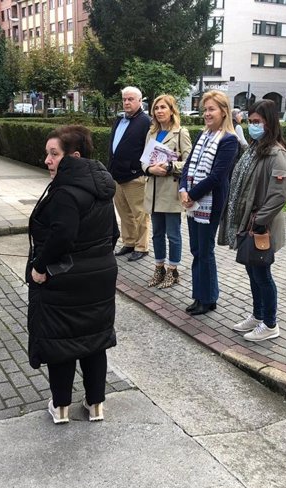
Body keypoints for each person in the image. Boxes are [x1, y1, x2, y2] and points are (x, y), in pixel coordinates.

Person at [27, 125, 119, 424]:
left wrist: (39, 267)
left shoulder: (66, 191)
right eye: (47, 154)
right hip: (100, 275)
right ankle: (95, 405)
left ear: (74, 156)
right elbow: (113, 232)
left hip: (65, 277)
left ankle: (61, 406)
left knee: (62, 343)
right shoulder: (101, 188)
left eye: (54, 154)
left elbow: (62, 237)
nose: (47, 161)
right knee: (94, 341)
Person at [219, 99, 286, 341]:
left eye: (257, 122)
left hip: (261, 226)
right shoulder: (254, 148)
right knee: (253, 272)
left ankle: (270, 323)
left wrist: (260, 220)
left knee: (262, 275)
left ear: (270, 123)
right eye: (250, 122)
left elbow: (279, 194)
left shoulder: (276, 153)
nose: (253, 126)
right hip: (247, 222)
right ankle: (257, 316)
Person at [180, 91, 239, 316]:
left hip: (210, 202)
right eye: (205, 109)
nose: (206, 114)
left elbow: (218, 176)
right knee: (197, 249)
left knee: (205, 250)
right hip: (193, 200)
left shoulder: (229, 140)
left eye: (211, 109)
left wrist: (192, 194)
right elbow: (188, 166)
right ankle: (201, 295)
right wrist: (183, 189)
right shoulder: (203, 136)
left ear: (224, 112)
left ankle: (207, 298)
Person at [141, 94, 192, 289]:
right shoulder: (151, 133)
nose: (159, 111)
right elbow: (144, 160)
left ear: (172, 110)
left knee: (173, 234)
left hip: (170, 190)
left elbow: (189, 162)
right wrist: (149, 169)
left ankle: (173, 270)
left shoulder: (180, 133)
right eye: (156, 108)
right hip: (152, 190)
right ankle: (159, 268)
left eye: (163, 107)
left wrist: (171, 166)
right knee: (156, 234)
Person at [108, 86, 152, 262]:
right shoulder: (119, 120)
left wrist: (139, 169)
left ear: (140, 101)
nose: (126, 102)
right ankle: (129, 242)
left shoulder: (146, 121)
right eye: (125, 99)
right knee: (124, 213)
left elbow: (150, 149)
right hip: (117, 175)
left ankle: (142, 246)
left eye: (130, 99)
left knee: (140, 214)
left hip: (135, 177)